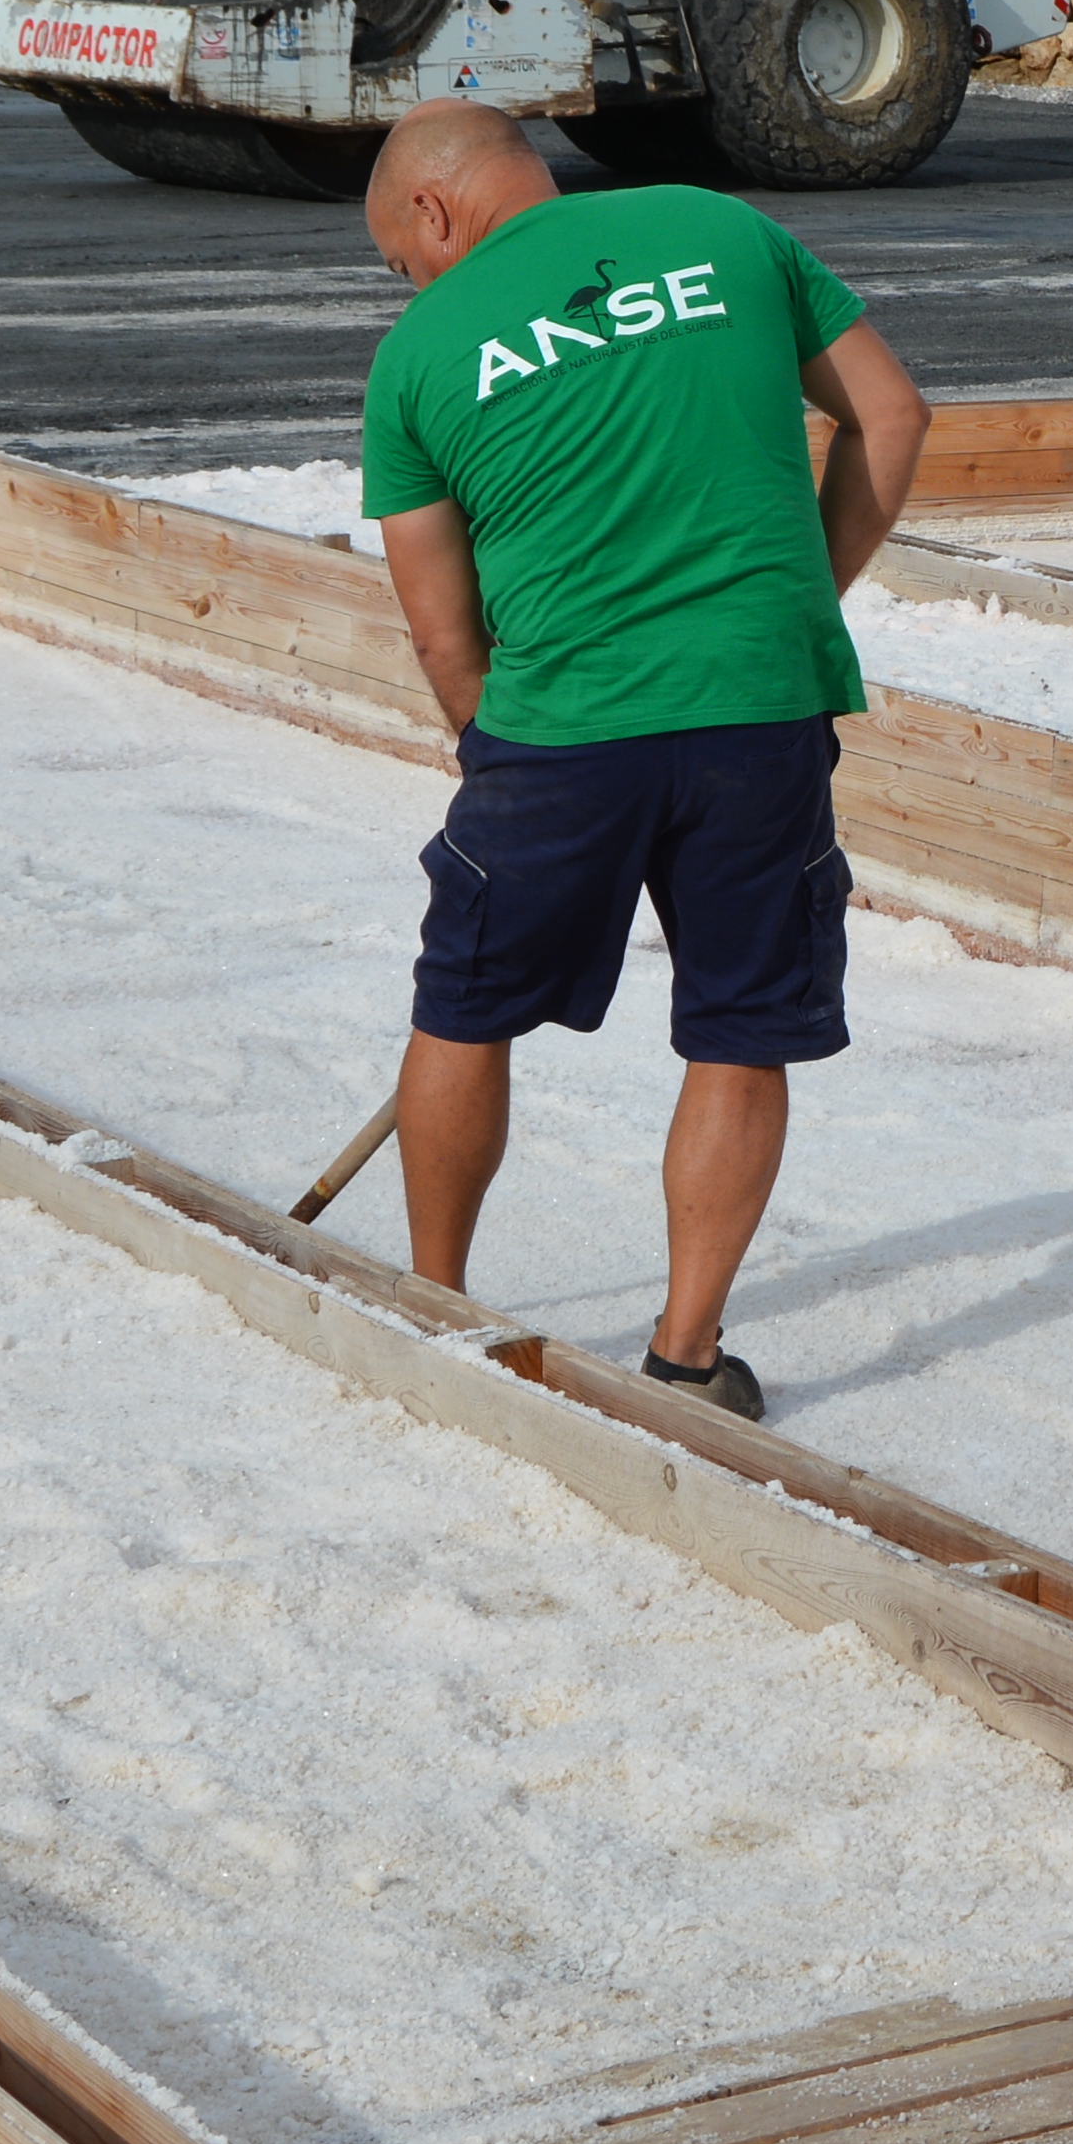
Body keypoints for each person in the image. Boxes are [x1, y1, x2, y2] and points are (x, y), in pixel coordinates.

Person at [352, 98, 929, 1417]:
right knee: (739, 1030)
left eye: (402, 254)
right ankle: (687, 1358)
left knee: (465, 1010)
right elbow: (890, 421)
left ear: (435, 212)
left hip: (559, 730)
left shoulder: (420, 354)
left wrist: (497, 755)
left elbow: (445, 636)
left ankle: (437, 1311)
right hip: (759, 713)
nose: (414, 277)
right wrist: (787, 614)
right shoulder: (722, 231)